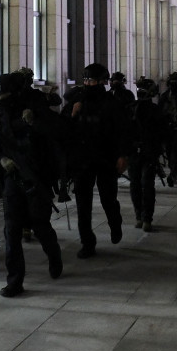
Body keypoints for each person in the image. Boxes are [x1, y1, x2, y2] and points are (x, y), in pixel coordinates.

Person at [0, 72, 64, 296]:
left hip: (37, 179)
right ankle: (15, 281)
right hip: (12, 180)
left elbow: (58, 134)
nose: (2, 101)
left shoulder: (36, 109)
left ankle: (54, 256)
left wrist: (37, 122)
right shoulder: (0, 117)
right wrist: (0, 160)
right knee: (12, 231)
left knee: (40, 226)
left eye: (5, 96)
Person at [63, 63, 133, 258]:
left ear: (102, 82)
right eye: (85, 80)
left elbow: (123, 130)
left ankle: (115, 223)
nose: (87, 84)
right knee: (82, 204)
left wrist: (122, 155)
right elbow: (64, 130)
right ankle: (87, 243)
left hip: (105, 158)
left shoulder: (112, 103)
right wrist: (73, 114)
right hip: (82, 160)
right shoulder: (77, 102)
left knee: (108, 199)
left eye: (91, 81)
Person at [130, 77, 173, 231]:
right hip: (145, 152)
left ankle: (142, 217)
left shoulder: (133, 108)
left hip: (140, 152)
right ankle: (144, 218)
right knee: (144, 185)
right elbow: (163, 133)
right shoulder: (153, 110)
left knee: (138, 185)